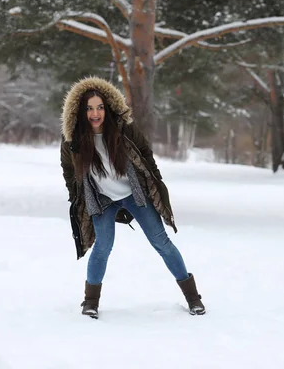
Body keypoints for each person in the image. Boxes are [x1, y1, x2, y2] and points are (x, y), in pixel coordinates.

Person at [60, 76, 206, 318]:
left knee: (161, 242)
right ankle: (90, 302)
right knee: (103, 247)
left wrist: (156, 185)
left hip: (134, 194)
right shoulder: (73, 141)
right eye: (89, 108)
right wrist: (75, 196)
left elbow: (146, 156)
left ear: (106, 108)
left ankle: (193, 298)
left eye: (99, 107)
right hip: (101, 199)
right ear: (80, 111)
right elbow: (68, 171)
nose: (95, 113)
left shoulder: (123, 130)